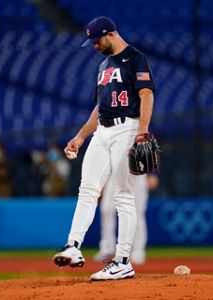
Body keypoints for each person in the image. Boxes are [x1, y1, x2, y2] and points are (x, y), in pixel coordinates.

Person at [52, 16, 156, 281]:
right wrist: (79, 137)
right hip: (102, 131)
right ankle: (73, 246)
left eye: (97, 40)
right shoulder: (103, 66)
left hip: (127, 128)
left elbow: (146, 94)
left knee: (123, 195)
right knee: (87, 189)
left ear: (110, 34)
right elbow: (99, 108)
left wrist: (143, 130)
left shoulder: (136, 59)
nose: (95, 45)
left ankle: (123, 261)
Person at [94, 173, 159, 265]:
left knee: (137, 213)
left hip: (137, 172)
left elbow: (153, 157)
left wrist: (153, 173)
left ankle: (138, 250)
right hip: (115, 173)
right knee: (106, 209)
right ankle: (107, 248)